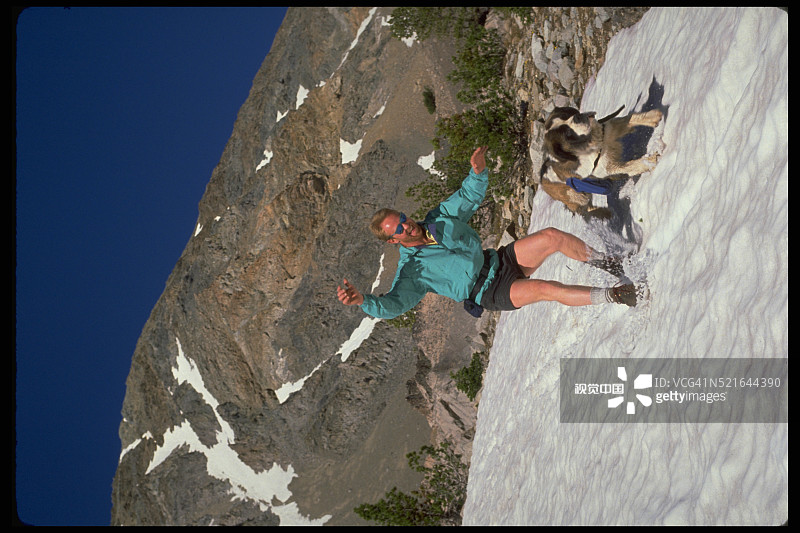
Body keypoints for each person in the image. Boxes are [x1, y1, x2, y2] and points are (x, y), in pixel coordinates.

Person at [337, 146, 637, 319]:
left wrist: (477, 172)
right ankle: (618, 295)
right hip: (488, 292)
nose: (406, 224)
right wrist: (363, 301)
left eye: (402, 218)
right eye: (398, 228)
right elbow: (394, 304)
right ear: (393, 240)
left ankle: (612, 264)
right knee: (547, 288)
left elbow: (467, 196)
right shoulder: (412, 271)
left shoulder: (438, 219)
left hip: (499, 260)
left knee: (551, 237)